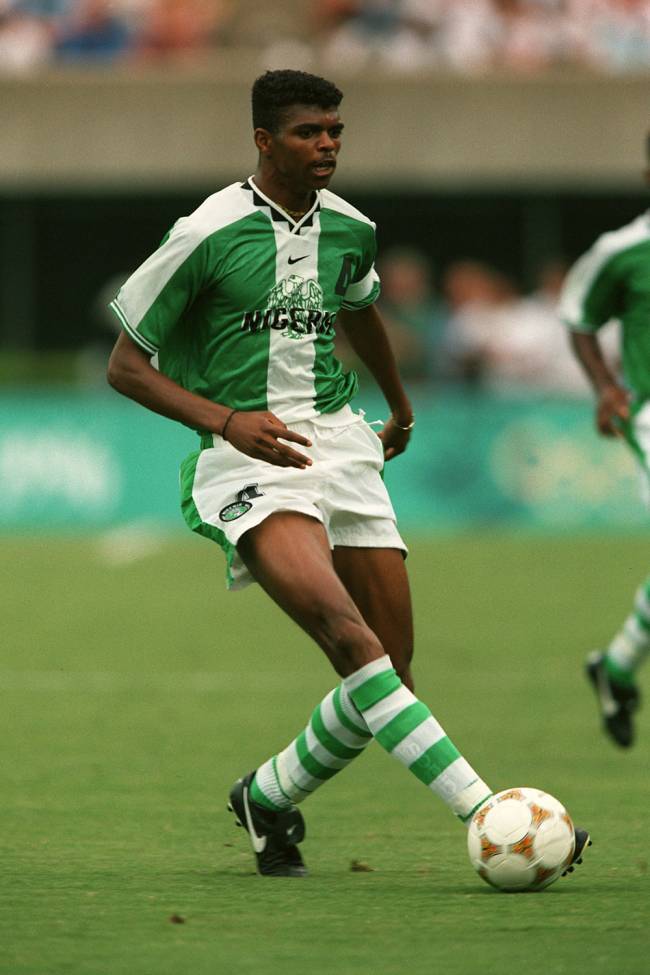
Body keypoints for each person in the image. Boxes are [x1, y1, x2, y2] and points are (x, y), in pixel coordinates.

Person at [107, 68, 589, 878]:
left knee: (389, 675)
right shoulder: (206, 233)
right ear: (265, 140)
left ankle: (265, 794)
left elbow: (360, 308)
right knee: (348, 639)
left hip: (343, 444)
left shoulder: (352, 228)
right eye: (308, 132)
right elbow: (126, 366)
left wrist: (398, 406)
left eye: (334, 130)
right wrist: (227, 420)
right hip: (248, 458)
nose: (327, 143)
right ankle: (488, 810)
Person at [559, 141, 650, 748]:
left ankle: (615, 667)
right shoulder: (623, 252)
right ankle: (615, 669)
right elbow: (578, 316)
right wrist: (605, 388)